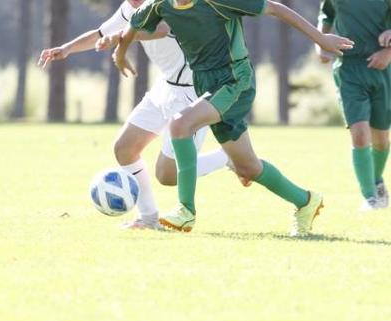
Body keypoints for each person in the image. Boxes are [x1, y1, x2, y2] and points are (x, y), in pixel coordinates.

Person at [113, 0, 354, 236]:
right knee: (248, 167)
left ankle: (186, 210)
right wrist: (121, 55)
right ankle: (306, 201)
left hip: (234, 80)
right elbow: (134, 24)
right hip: (206, 84)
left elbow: (274, 7)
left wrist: (321, 39)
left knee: (180, 124)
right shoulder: (159, 5)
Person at [38, 0, 231, 230]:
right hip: (165, 86)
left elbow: (161, 29)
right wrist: (67, 48)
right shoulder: (129, 7)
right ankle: (148, 218)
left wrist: (123, 36)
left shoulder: (167, 3)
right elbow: (100, 33)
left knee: (167, 174)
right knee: (125, 148)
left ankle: (228, 157)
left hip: (192, 93)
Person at [317, 0, 391, 211]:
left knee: (381, 140)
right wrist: (320, 44)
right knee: (359, 134)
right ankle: (370, 198)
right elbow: (326, 16)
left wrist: (388, 53)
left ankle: (376, 181)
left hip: (383, 68)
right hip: (348, 68)